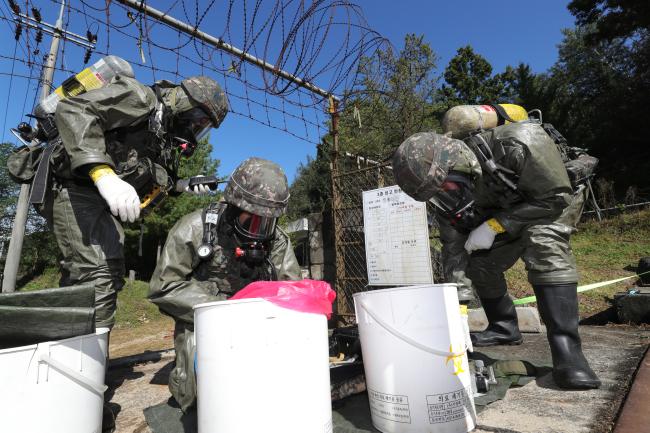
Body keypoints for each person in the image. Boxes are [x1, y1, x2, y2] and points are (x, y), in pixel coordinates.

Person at [391, 112, 601, 390]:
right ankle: (504, 327)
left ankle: (569, 355)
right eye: (436, 194)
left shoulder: (518, 142)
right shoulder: (446, 197)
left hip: (555, 197)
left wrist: (495, 225)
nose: (446, 195)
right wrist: (458, 316)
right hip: (509, 208)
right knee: (480, 263)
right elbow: (454, 252)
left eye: (446, 186)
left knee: (543, 240)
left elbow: (555, 197)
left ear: (456, 162)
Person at [47, 74, 228, 330]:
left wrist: (182, 185)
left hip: (95, 196)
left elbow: (147, 175)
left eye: (205, 125)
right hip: (74, 185)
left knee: (107, 273)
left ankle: (70, 348)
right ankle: (79, 359)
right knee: (95, 276)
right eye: (199, 119)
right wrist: (102, 173)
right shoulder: (141, 98)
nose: (198, 128)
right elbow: (74, 108)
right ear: (186, 100)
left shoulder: (162, 133)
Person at [148, 157, 301, 411]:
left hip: (258, 328)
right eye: (251, 221)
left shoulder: (277, 242)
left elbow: (293, 292)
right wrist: (222, 308)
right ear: (233, 207)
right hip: (205, 325)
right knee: (206, 396)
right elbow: (163, 286)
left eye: (267, 222)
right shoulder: (195, 229)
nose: (260, 231)